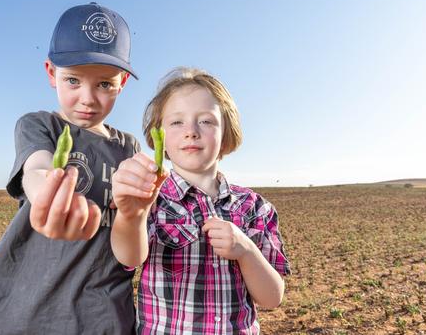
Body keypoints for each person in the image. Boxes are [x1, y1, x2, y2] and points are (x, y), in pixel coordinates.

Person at [0, 2, 141, 335]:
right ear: (50, 72)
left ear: (122, 82)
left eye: (104, 84)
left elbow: (132, 236)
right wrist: (48, 195)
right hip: (28, 310)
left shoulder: (129, 148)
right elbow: (37, 167)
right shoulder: (40, 126)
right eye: (73, 80)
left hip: (104, 315)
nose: (87, 98)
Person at [111, 67, 291, 334]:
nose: (191, 131)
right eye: (176, 122)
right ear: (158, 135)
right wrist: (131, 216)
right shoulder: (151, 197)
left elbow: (272, 297)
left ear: (225, 130)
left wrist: (246, 251)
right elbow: (130, 257)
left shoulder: (254, 207)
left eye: (206, 121)